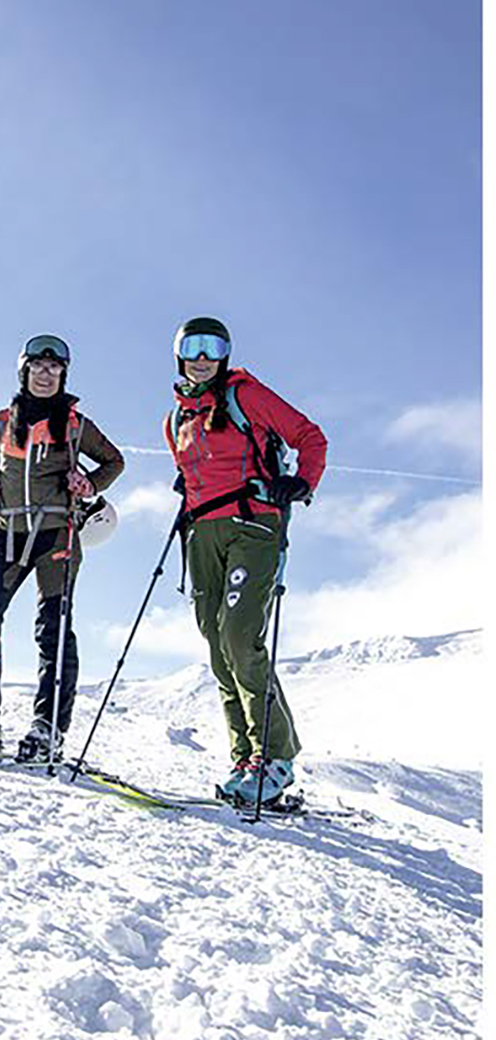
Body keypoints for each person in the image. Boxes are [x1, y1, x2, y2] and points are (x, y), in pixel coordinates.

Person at [165, 316, 326, 807]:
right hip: (201, 535)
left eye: (212, 347)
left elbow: (310, 437)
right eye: (192, 347)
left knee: (239, 635)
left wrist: (302, 482)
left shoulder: (244, 395)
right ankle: (245, 758)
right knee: (217, 645)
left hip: (253, 525)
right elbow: (192, 470)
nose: (201, 356)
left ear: (225, 355)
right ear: (179, 354)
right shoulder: (176, 420)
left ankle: (276, 757)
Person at [0, 335, 125, 763]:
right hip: (8, 531)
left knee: (54, 628)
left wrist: (90, 485)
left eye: (54, 369)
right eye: (37, 367)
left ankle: (49, 728)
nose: (45, 375)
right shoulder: (2, 422)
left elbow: (114, 461)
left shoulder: (77, 425)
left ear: (63, 375)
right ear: (24, 372)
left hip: (56, 534)